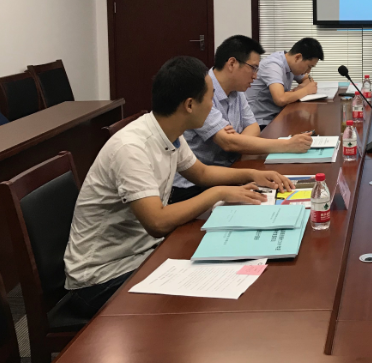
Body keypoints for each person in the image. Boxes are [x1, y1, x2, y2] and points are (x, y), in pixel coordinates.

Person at [64, 56, 295, 318]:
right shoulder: (132, 148)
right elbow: (157, 222)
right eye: (210, 97)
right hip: (101, 277)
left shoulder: (169, 132)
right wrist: (218, 193)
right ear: (189, 105)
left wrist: (251, 174)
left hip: (142, 252)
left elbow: (202, 173)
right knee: (206, 298)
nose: (213, 106)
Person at [171, 35, 312, 203]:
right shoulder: (203, 91)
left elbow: (253, 127)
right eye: (253, 68)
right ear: (232, 63)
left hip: (230, 170)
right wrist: (287, 145)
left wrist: (237, 140)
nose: (255, 76)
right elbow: (228, 142)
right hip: (194, 186)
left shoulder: (236, 90)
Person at [246, 37, 324, 127]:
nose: (309, 71)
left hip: (277, 115)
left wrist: (300, 89)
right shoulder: (273, 65)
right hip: (260, 122)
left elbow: (308, 80)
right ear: (298, 57)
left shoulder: (290, 64)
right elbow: (281, 99)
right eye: (309, 66)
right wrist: (306, 90)